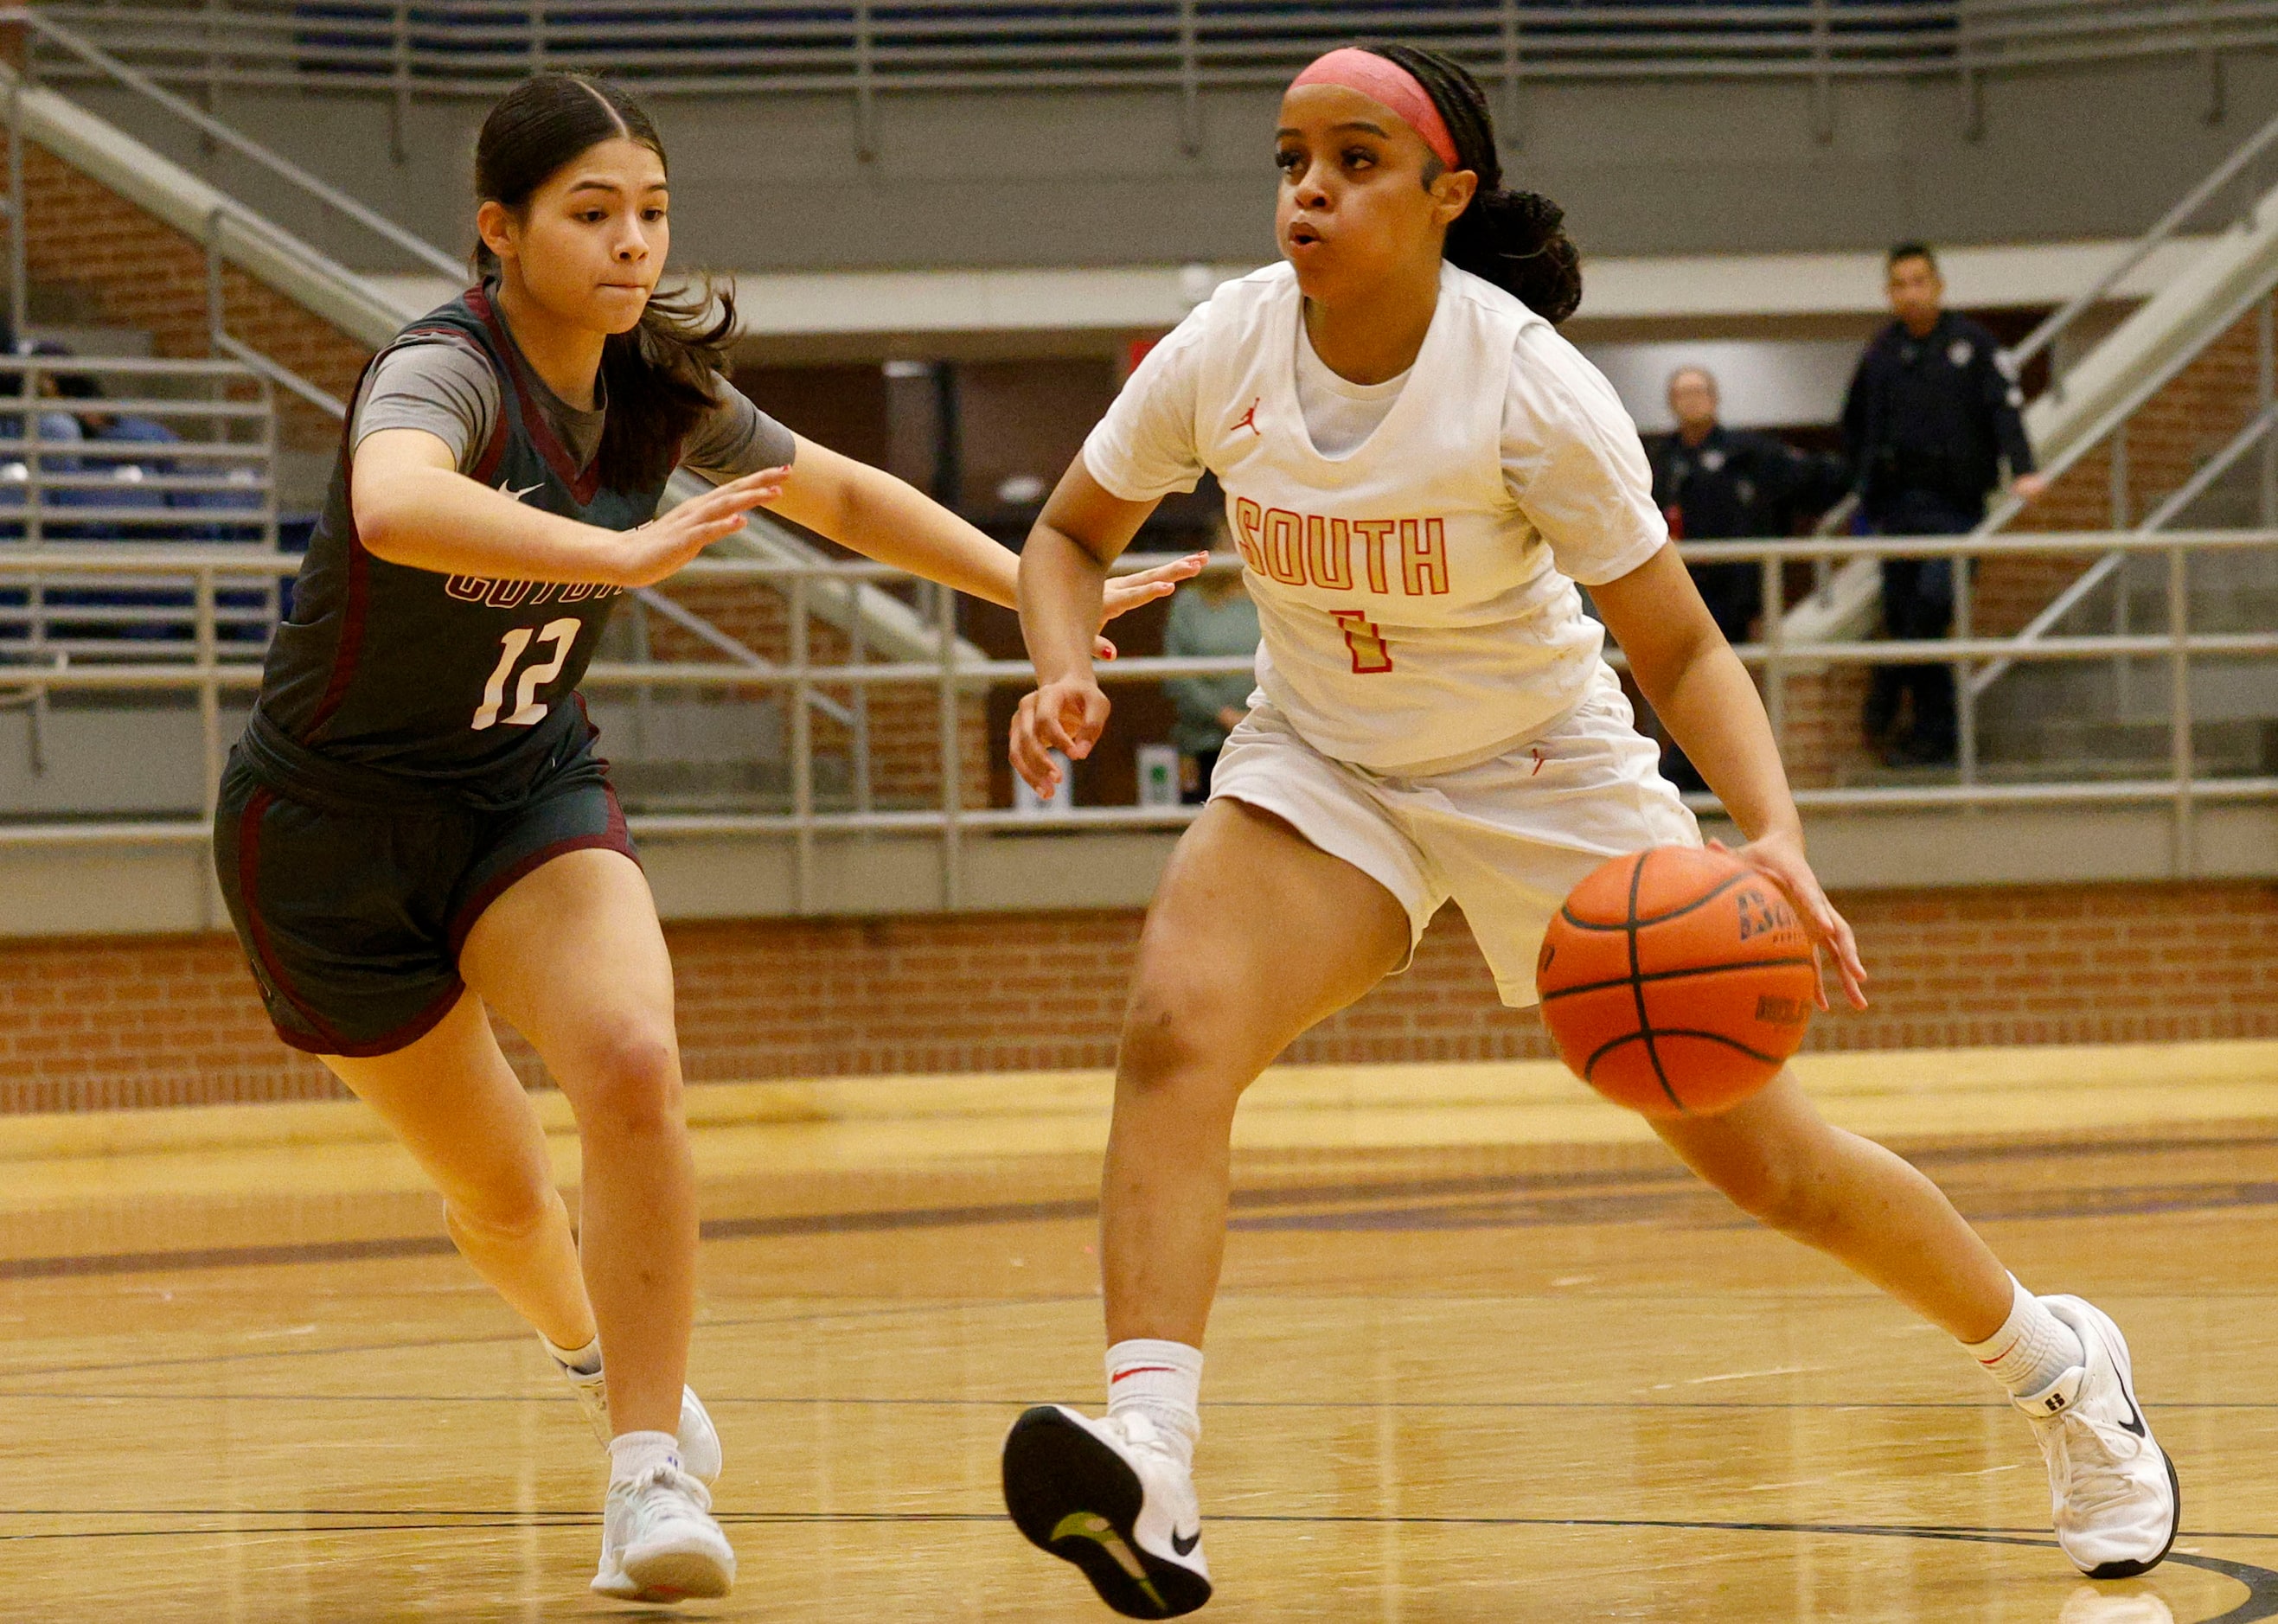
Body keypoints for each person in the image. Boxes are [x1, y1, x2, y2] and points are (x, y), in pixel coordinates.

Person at [998, 42, 2175, 1620]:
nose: (1309, 190)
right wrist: (1062, 663)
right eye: (1290, 159)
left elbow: (1679, 645)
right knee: (1172, 1026)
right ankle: (1150, 1454)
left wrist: (1767, 832)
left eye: (1354, 160)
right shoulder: (1225, 346)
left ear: (1444, 195)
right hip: (1323, 764)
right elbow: (1068, 534)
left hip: (1545, 772)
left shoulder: (1524, 383)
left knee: (1762, 1158)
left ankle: (2056, 1362)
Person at [210, 73, 1193, 1606]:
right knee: (504, 1199)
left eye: (651, 212)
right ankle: (591, 1342)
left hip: (520, 790)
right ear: (499, 230)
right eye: (591, 213)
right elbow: (394, 503)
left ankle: (644, 1469)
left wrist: (1027, 587)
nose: (631, 243)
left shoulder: (656, 382)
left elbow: (842, 495)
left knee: (630, 1059)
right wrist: (605, 549)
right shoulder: (441, 368)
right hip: (325, 834)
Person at [1842, 244, 2047, 767]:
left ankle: (1890, 691)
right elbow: (1856, 424)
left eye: (1920, 282)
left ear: (1938, 285)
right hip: (1897, 509)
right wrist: (1860, 490)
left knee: (1931, 607)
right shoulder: (1881, 353)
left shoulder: (1972, 345)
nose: (1911, 293)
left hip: (1955, 506)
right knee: (1905, 614)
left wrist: (2023, 469)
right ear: (1889, 293)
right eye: (1900, 284)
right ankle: (1935, 736)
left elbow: (2005, 408)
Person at [1647, 364, 1847, 788]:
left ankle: (1705, 772)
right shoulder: (1662, 462)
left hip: (1734, 591)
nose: (1692, 400)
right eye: (1682, 394)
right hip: (1678, 591)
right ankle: (1695, 768)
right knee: (1683, 682)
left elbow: (1813, 481)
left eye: (1699, 392)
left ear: (1715, 399)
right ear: (1671, 404)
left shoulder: (1749, 453)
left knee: (1724, 681)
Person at [1159, 518, 1260, 802]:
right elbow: (1177, 673)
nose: (1238, 548)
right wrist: (1224, 715)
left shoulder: (1275, 600)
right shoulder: (1190, 603)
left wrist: (1260, 714)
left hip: (1270, 733)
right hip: (1204, 740)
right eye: (1229, 540)